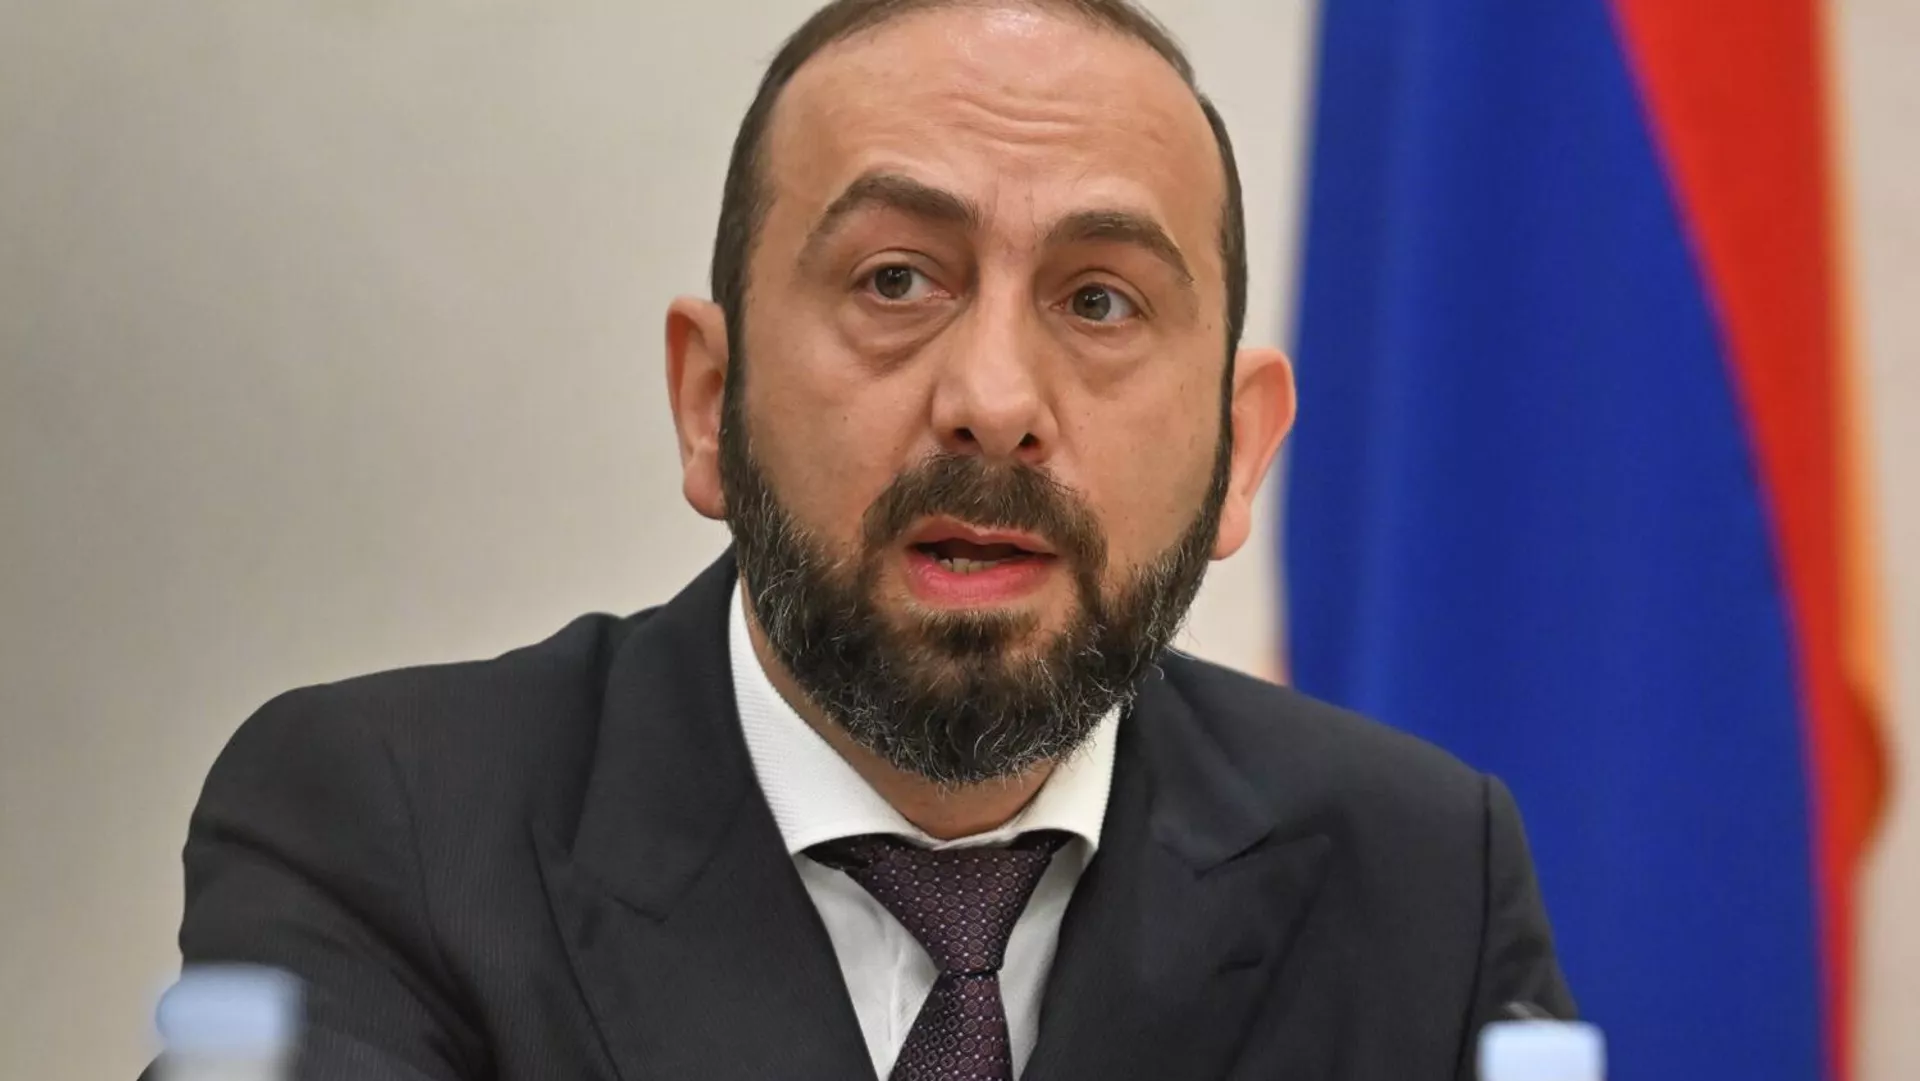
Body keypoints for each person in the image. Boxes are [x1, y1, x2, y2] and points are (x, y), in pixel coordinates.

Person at [153, 1, 1573, 1079]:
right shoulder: (383, 826)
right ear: (711, 404)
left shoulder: (1423, 877)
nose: (994, 402)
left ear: (1238, 451)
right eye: (896, 280)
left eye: (1099, 301)